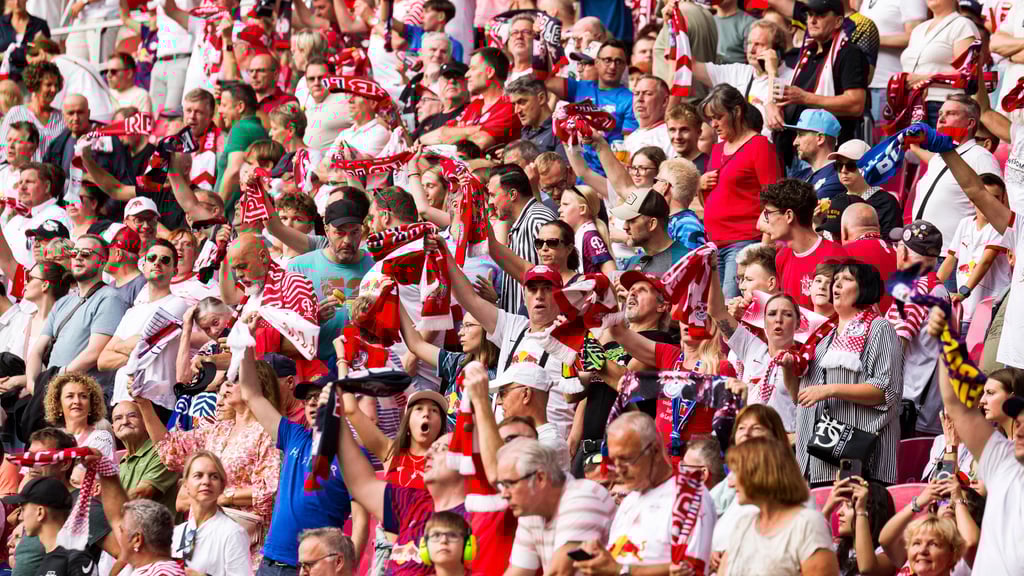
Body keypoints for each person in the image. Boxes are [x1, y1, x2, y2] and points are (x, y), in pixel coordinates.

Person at [134, 361, 283, 564]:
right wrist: (145, 405)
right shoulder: (218, 429)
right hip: (202, 538)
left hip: (243, 544)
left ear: (258, 385)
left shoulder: (269, 432)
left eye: (235, 380)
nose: (226, 386)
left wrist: (222, 498)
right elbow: (170, 448)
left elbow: (271, 490)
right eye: (226, 381)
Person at [924, 300, 1024, 574]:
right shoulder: (1002, 457)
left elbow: (970, 540)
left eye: (991, 393)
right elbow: (954, 405)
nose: (982, 401)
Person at [796, 261, 904, 486]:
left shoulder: (880, 328)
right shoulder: (825, 336)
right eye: (835, 280)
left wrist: (830, 390)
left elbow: (885, 391)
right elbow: (806, 396)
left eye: (845, 280)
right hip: (823, 460)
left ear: (864, 287)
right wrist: (789, 368)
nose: (836, 285)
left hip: (865, 457)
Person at [572, 412, 714, 573]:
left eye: (626, 459)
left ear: (654, 450)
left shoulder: (689, 494)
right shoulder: (630, 499)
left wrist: (621, 570)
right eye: (614, 461)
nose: (619, 471)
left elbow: (690, 568)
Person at [25, 235, 128, 402]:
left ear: (102, 262)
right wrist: (32, 385)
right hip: (51, 394)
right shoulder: (63, 302)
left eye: (86, 253)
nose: (78, 257)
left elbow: (94, 353)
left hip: (84, 399)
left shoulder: (110, 298)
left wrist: (56, 379)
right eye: (74, 253)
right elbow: (37, 350)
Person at [700, 84, 779, 300]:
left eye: (718, 117)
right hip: (715, 244)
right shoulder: (717, 149)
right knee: (715, 312)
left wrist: (763, 251)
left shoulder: (760, 145)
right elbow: (712, 199)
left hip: (744, 242)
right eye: (710, 119)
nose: (713, 124)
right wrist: (700, 185)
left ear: (737, 111)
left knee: (731, 311)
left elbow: (773, 201)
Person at [717, 437, 839, 575]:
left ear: (759, 473)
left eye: (736, 473)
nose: (730, 484)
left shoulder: (807, 525)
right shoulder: (743, 525)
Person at [912, 96, 1001, 281]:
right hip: (918, 252)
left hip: (949, 257)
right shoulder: (938, 156)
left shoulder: (980, 156)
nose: (941, 119)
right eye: (940, 114)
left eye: (951, 113)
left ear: (970, 123)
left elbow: (995, 205)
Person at [498, 438, 615, 575]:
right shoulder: (532, 509)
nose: (504, 494)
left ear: (540, 478)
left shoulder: (582, 498)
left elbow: (560, 572)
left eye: (509, 484)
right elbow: (517, 572)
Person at [13, 427, 116, 576]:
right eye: (30, 458)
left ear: (65, 464)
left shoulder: (84, 505)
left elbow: (124, 555)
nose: (32, 464)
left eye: (41, 458)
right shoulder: (36, 500)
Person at [101, 240, 188, 411]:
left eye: (165, 260)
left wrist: (119, 346)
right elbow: (103, 361)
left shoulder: (179, 305)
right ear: (144, 265)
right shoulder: (131, 312)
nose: (157, 262)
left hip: (156, 401)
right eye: (152, 258)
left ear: (174, 271)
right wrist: (137, 348)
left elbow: (144, 344)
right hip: (120, 400)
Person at [285, 199, 374, 364]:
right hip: (319, 367)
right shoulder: (299, 266)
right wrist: (313, 317)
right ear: (326, 231)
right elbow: (286, 328)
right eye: (340, 233)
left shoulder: (376, 265)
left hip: (368, 362)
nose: (347, 240)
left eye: (354, 232)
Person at [883, 220, 947, 437]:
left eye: (898, 246)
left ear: (905, 253)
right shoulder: (934, 286)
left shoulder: (915, 290)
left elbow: (894, 347)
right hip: (923, 406)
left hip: (909, 406)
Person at [776, 0, 869, 148]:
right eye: (810, 14)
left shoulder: (850, 53)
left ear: (838, 21)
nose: (812, 20)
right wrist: (775, 107)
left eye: (820, 15)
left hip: (827, 150)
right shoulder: (808, 52)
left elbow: (855, 104)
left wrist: (805, 97)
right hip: (795, 147)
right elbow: (792, 97)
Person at [398, 304, 499, 430]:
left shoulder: (500, 374)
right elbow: (416, 345)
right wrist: (396, 302)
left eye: (468, 326)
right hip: (443, 444)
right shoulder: (458, 362)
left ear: (488, 328)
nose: (460, 332)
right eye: (462, 326)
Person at [546, 39, 638, 176]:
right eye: (607, 60)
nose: (613, 66)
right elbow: (547, 81)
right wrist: (542, 41)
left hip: (607, 176)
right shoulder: (579, 87)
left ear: (625, 66)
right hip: (577, 173)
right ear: (596, 63)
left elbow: (628, 145)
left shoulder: (630, 99)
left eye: (618, 62)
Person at [936, 173, 1011, 335]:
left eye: (996, 198)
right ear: (972, 199)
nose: (990, 204)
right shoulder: (964, 224)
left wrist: (964, 292)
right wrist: (933, 286)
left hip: (990, 310)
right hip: (964, 310)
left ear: (1003, 201)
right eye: (985, 198)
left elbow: (985, 262)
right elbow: (950, 260)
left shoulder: (1000, 229)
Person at [692, 19, 792, 138]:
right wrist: (672, 28)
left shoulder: (791, 77)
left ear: (777, 50)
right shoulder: (739, 71)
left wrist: (772, 72)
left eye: (759, 44)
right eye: (749, 43)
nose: (751, 50)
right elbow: (691, 65)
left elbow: (774, 119)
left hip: (763, 149)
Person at [760, 179, 847, 309]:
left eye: (768, 214)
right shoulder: (782, 256)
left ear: (789, 216)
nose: (766, 221)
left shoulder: (835, 256)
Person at [419, 47, 522, 150]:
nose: (467, 75)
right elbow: (441, 132)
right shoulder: (475, 105)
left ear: (489, 72)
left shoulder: (509, 106)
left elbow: (477, 145)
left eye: (473, 68)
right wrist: (473, 130)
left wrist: (458, 132)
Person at [166, 451, 251, 575]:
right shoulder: (177, 533)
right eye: (198, 475)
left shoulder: (233, 533)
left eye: (214, 476)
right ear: (185, 485)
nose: (206, 482)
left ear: (222, 487)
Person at [487, 164, 557, 314]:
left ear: (513, 194)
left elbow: (556, 279)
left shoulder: (538, 220)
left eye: (493, 195)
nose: (490, 203)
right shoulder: (521, 223)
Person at [42, 95, 134, 206]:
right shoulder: (57, 144)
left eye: (80, 112)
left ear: (89, 113)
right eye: (71, 113)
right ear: (63, 115)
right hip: (66, 212)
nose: (75, 118)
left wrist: (105, 210)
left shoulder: (110, 140)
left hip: (100, 216)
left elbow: (125, 180)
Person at [899, 0, 979, 127]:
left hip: (943, 104)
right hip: (911, 104)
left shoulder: (963, 24)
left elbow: (967, 76)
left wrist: (925, 79)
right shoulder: (918, 29)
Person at [2, 478, 93, 576]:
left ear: (40, 512)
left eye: (23, 509)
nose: (20, 516)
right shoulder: (49, 559)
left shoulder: (75, 559)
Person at [818, 139, 903, 241]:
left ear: (869, 166)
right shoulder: (837, 199)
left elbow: (890, 246)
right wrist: (817, 223)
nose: (843, 171)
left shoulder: (886, 202)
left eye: (851, 166)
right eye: (839, 165)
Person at [490, 362, 569, 470]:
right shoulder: (546, 440)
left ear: (526, 394)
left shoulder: (549, 443)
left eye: (503, 393)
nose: (498, 402)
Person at [1, 162, 69, 272]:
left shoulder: (57, 216)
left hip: (38, 284)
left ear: (47, 186)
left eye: (29, 182)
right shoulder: (15, 220)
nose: (22, 187)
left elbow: (60, 263)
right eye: (20, 182)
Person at [112, 401, 179, 512]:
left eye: (132, 416)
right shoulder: (121, 463)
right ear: (113, 428)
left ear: (145, 421)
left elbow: (141, 494)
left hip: (158, 528)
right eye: (118, 418)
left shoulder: (162, 452)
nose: (125, 422)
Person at [216, 83, 270, 222]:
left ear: (240, 106)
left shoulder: (240, 129)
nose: (220, 110)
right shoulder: (258, 128)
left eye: (224, 105)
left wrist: (215, 212)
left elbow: (234, 171)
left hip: (234, 214)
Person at [822, 476, 895, 576]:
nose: (839, 512)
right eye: (841, 505)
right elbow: (806, 555)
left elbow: (867, 568)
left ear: (871, 513)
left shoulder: (887, 553)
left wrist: (860, 510)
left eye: (849, 506)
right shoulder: (839, 548)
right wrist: (827, 509)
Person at [614, 187, 688, 277]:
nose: (625, 227)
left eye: (632, 221)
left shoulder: (684, 262)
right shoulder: (633, 261)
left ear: (652, 224)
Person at [0, 61, 65, 160]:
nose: (54, 89)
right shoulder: (16, 113)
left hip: (53, 174)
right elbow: (2, 148)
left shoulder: (62, 118)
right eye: (48, 85)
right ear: (35, 85)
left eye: (56, 85)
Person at [840, 204, 898, 312]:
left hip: (866, 326)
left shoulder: (843, 254)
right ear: (878, 228)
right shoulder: (900, 252)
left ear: (844, 232)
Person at [786, 109, 845, 200]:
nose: (795, 142)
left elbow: (804, 209)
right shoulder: (798, 175)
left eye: (801, 135)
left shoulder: (840, 176)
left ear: (820, 139)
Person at [557, 186, 615, 277]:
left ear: (582, 209)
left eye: (565, 204)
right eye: (560, 205)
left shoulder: (590, 236)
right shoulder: (581, 234)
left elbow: (611, 273)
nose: (559, 210)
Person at [657, 157, 706, 253]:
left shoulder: (687, 225)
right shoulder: (671, 221)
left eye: (656, 181)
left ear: (665, 187)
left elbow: (690, 264)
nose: (652, 186)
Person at [505, 77, 560, 155]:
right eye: (514, 104)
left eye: (522, 102)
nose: (517, 110)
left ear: (541, 98)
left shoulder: (559, 131)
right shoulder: (525, 132)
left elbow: (564, 166)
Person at [625, 75, 672, 157]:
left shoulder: (671, 135)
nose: (640, 99)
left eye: (648, 94)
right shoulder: (630, 139)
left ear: (664, 101)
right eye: (636, 93)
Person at [103, 226, 145, 306]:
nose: (100, 255)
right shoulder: (111, 285)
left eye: (104, 250)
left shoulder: (142, 285)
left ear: (118, 254)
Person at [0, 121, 39, 198]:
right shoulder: (1, 170)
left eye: (17, 141)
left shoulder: (37, 178)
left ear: (32, 148)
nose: (10, 145)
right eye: (9, 140)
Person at [667, 103, 709, 173]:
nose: (677, 136)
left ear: (699, 132)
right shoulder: (667, 167)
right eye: (672, 130)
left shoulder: (708, 166)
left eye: (684, 130)